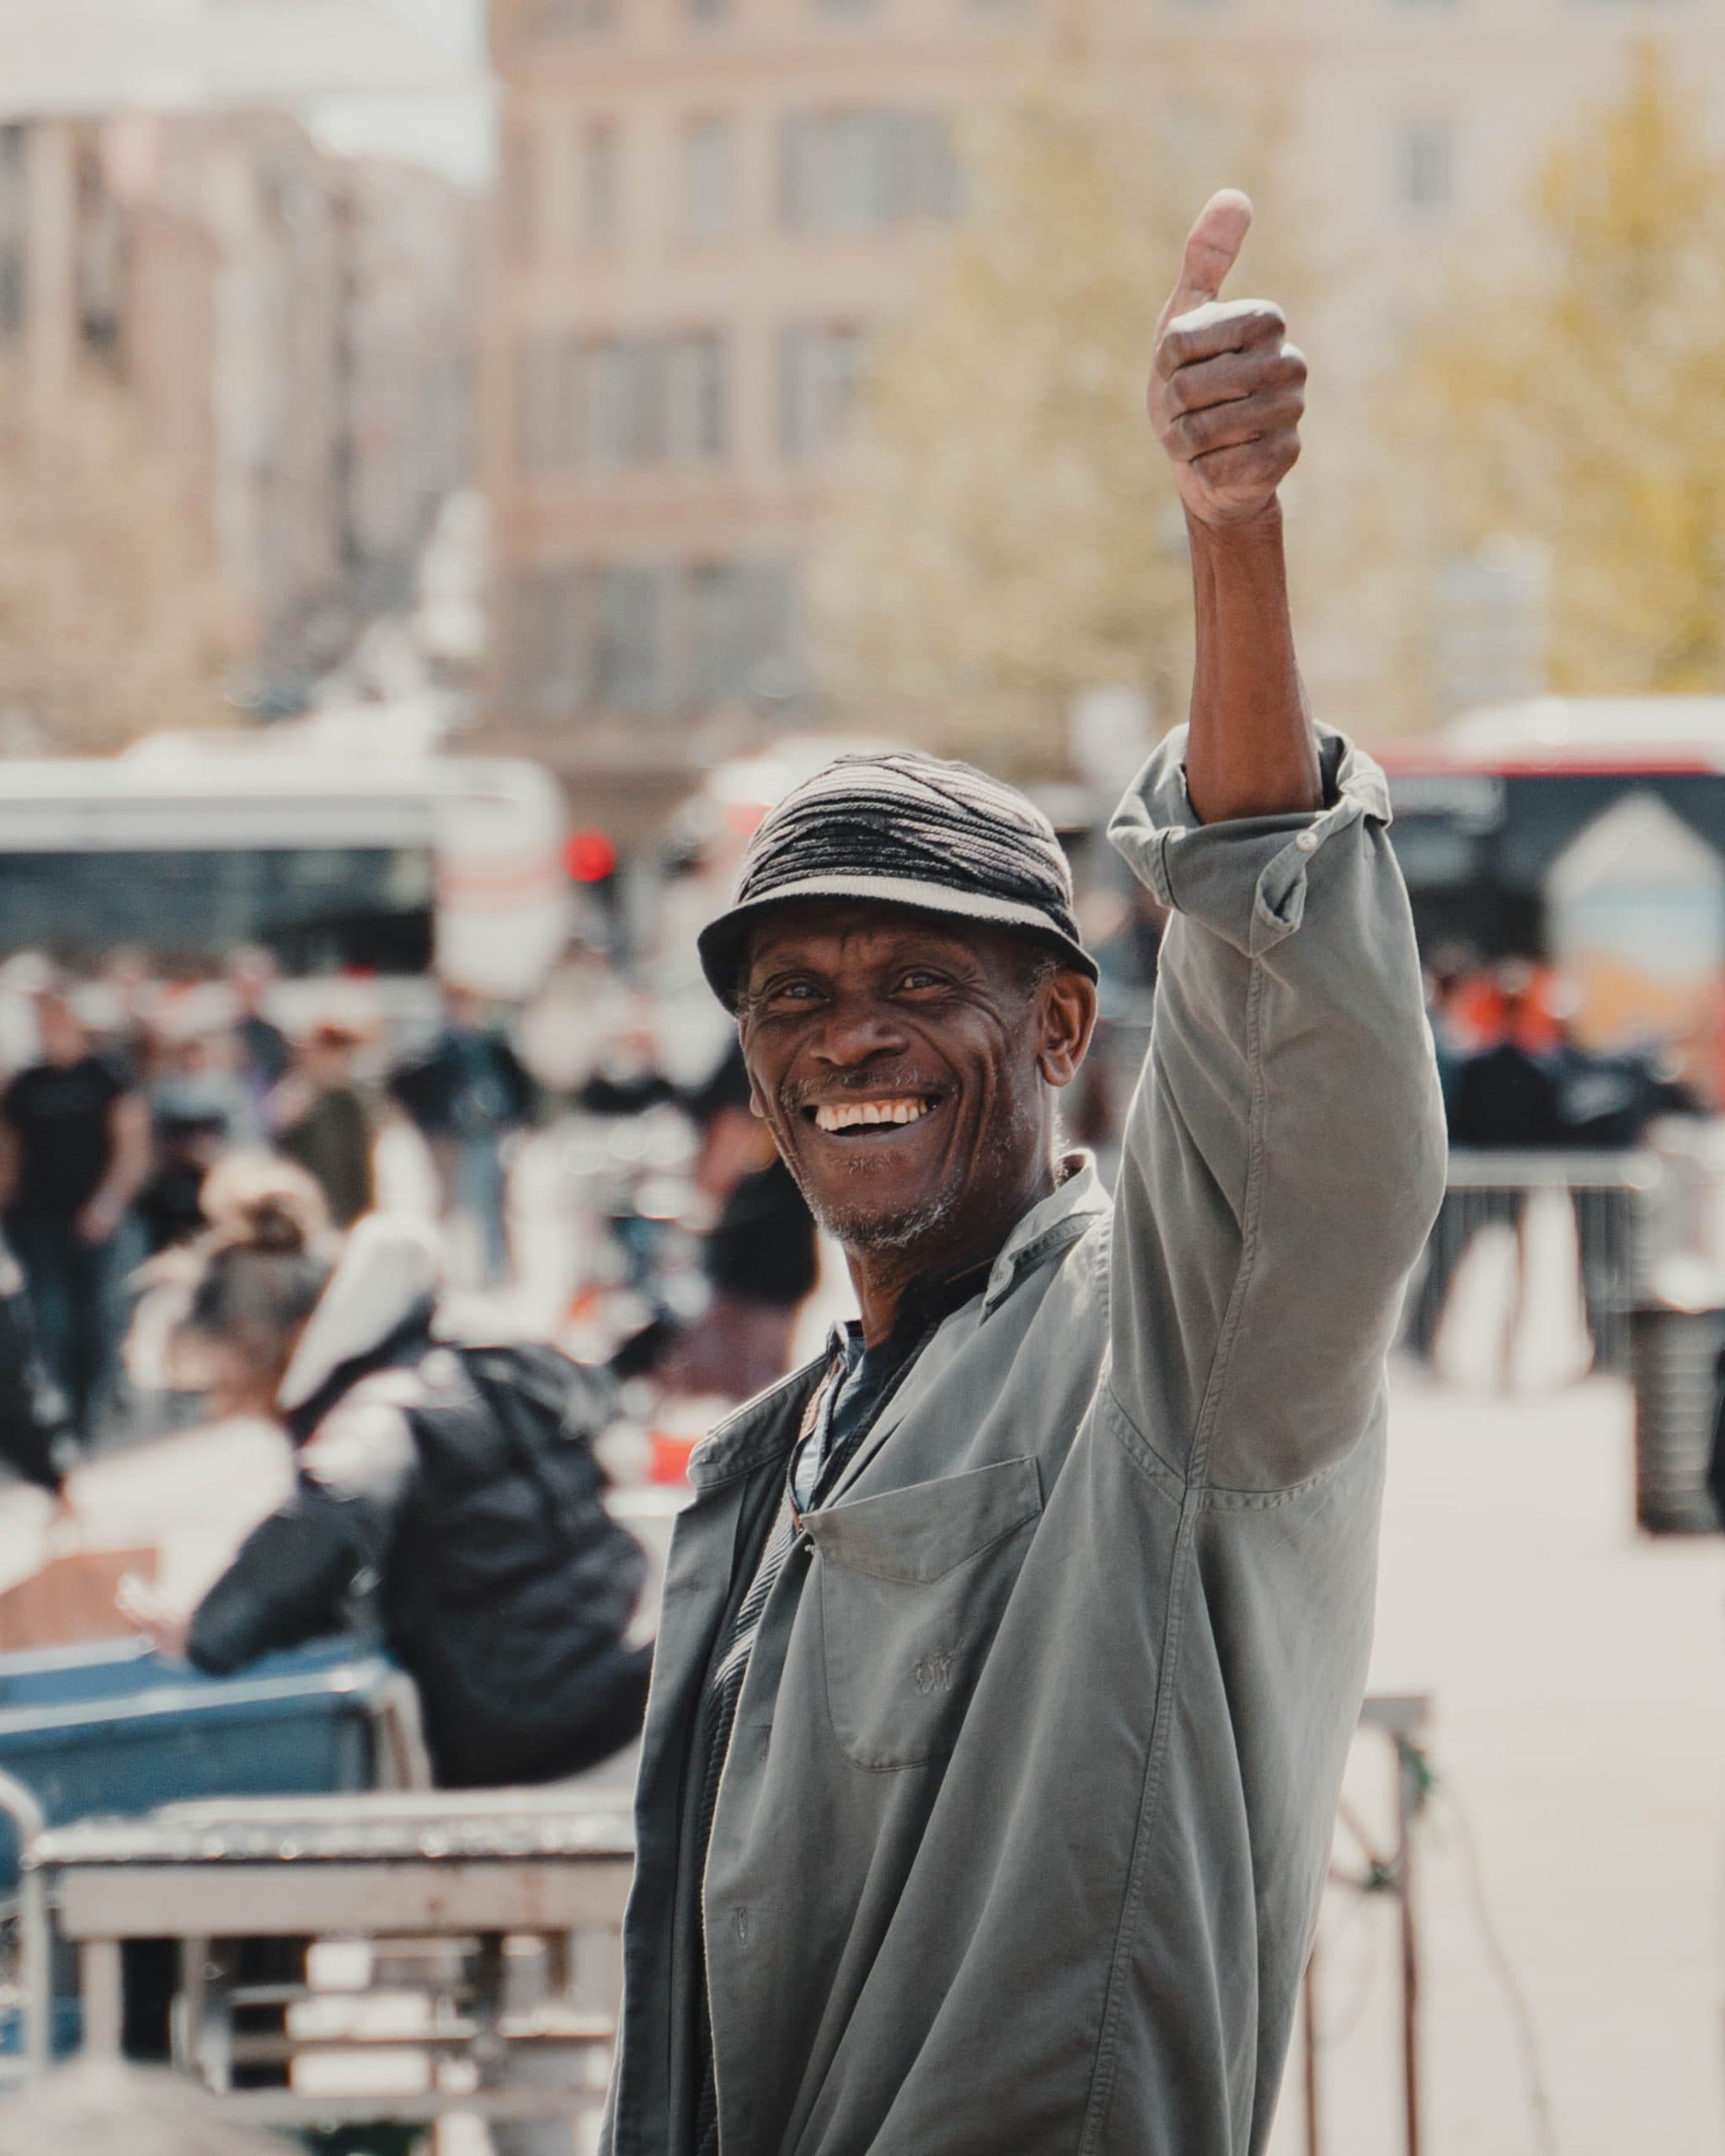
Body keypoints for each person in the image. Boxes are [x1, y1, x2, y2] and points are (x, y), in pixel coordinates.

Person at [597, 192, 1446, 2156]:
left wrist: (1229, 540)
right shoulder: (782, 1446)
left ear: (1061, 1027)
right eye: (794, 994)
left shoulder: (1167, 1342)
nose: (849, 1036)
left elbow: (1304, 1081)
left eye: (921, 982)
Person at [127, 1205, 653, 1791]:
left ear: (287, 1342)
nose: (228, 1408)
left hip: (545, 1741)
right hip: (634, 1686)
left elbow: (334, 1508)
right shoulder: (467, 1360)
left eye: (233, 1386)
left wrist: (207, 1633)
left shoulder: (378, 1411)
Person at [0, 985, 151, 1441]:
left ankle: (90, 1413)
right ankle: (58, 1418)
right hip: (36, 1223)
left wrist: (106, 1205)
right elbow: (9, 1154)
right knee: (48, 1323)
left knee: (97, 1320)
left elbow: (133, 1149)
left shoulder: (106, 1076)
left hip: (96, 1224)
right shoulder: (25, 1085)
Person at [389, 984, 536, 1286]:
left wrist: (516, 1122)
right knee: (445, 1205)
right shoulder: (432, 1048)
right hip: (447, 1137)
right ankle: (439, 1273)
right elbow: (402, 1084)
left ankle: (497, 1271)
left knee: (492, 1205)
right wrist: (425, 1123)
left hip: (487, 1136)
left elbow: (520, 1085)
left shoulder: (491, 1045)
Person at [269, 1023, 375, 1229]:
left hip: (346, 1203)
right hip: (304, 1202)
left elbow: (361, 1163)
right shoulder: (294, 1093)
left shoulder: (349, 1100)